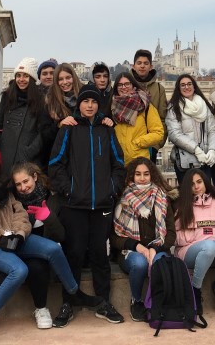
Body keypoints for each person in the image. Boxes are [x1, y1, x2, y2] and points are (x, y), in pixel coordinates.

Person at [0, 147, 99, 342]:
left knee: (53, 248)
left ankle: (74, 292)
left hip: (12, 240)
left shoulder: (5, 191)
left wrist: (19, 234)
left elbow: (21, 215)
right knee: (19, 270)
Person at [49, 84, 127, 326]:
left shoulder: (107, 130)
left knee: (100, 257)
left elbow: (119, 164)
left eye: (94, 101)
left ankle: (103, 302)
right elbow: (55, 164)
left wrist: (112, 190)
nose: (90, 105)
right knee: (72, 255)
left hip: (101, 206)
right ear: (79, 104)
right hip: (75, 206)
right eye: (85, 101)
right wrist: (68, 190)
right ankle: (68, 302)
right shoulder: (69, 129)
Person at [111, 157, 177, 322]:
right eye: (138, 174)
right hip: (130, 250)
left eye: (146, 174)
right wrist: (137, 247)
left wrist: (156, 248)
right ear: (132, 176)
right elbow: (114, 236)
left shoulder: (162, 197)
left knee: (158, 263)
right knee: (140, 263)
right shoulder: (123, 198)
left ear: (152, 175)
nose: (142, 178)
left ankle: (159, 303)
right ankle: (137, 301)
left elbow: (170, 233)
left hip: (158, 248)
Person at [174, 168, 215, 315]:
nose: (197, 186)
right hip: (189, 251)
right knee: (209, 245)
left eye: (199, 182)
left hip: (213, 250)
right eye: (192, 184)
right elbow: (175, 236)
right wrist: (197, 236)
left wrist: (214, 234)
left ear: (206, 182)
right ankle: (195, 290)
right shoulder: (182, 205)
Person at [0, 57, 53, 172]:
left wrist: (29, 151)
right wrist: (0, 143)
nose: (21, 79)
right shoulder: (7, 96)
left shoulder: (41, 99)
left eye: (25, 76)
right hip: (5, 154)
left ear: (32, 78)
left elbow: (43, 132)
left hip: (28, 157)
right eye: (18, 75)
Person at [166, 74, 215, 186]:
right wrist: (196, 149)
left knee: (206, 194)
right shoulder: (173, 107)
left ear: (194, 86)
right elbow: (174, 134)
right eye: (183, 85)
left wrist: (213, 150)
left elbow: (213, 130)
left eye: (189, 84)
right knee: (188, 196)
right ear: (179, 89)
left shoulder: (204, 105)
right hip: (185, 160)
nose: (186, 87)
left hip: (205, 159)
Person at [110, 72, 164, 164]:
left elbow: (158, 133)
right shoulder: (112, 106)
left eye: (127, 84)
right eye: (120, 85)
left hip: (139, 162)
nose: (123, 87)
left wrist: (138, 143)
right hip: (118, 163)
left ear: (133, 85)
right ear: (116, 87)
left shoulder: (145, 105)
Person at [132, 49, 167, 160]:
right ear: (133, 66)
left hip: (151, 145)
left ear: (151, 66)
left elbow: (163, 118)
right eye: (139, 63)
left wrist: (156, 145)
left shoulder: (159, 89)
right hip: (129, 143)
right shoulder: (125, 86)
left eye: (146, 63)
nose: (142, 66)